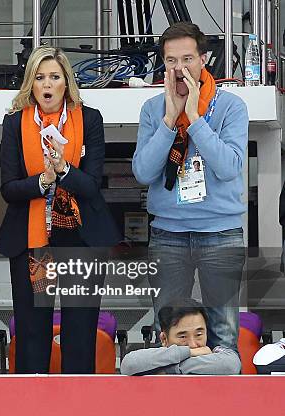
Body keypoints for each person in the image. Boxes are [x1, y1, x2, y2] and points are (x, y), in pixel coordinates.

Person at [0, 46, 120, 374]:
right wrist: (42, 181)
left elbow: (92, 185)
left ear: (66, 82)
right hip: (35, 244)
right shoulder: (14, 124)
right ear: (30, 85)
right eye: (39, 77)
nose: (47, 84)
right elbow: (9, 188)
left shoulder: (89, 119)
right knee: (33, 331)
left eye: (54, 77)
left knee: (79, 334)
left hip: (80, 241)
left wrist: (64, 170)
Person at [132, 22, 247, 351]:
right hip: (168, 234)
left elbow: (229, 167)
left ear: (203, 59)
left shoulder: (230, 107)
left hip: (220, 233)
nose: (179, 68)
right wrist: (170, 121)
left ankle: (222, 401)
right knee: (166, 331)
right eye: (171, 61)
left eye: (187, 59)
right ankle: (168, 401)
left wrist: (195, 119)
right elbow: (143, 171)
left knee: (222, 331)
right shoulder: (153, 109)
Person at [120, 298, 241, 375]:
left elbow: (231, 365)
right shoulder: (156, 356)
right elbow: (129, 364)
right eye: (183, 337)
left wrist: (167, 370)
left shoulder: (216, 354)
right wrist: (189, 352)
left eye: (199, 335)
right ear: (164, 339)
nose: (193, 344)